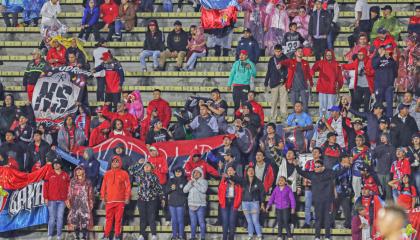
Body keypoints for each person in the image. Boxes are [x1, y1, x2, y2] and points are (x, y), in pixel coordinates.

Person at [293, 158, 351, 240]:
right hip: (317, 200)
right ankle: (317, 237)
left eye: (318, 166)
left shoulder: (329, 173)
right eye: (315, 167)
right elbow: (301, 172)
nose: (316, 168)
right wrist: (296, 165)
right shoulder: (312, 174)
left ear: (323, 167)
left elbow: (339, 173)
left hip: (327, 200)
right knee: (318, 219)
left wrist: (346, 167)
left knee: (327, 219)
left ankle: (327, 237)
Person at [129, 160, 164, 240]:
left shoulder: (154, 176)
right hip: (142, 200)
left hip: (152, 200)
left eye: (148, 166)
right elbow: (130, 170)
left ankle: (154, 235)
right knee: (143, 217)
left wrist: (162, 198)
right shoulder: (139, 175)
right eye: (145, 166)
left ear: (151, 168)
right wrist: (138, 163)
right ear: (143, 168)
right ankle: (141, 235)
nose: (146, 167)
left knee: (152, 217)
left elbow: (159, 188)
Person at [100, 156, 131, 240]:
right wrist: (103, 196)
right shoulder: (107, 173)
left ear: (120, 162)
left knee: (118, 220)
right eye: (113, 161)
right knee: (108, 219)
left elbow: (128, 186)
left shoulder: (124, 173)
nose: (115, 163)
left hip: (120, 201)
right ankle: (106, 236)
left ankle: (117, 236)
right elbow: (103, 186)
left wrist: (127, 197)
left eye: (117, 161)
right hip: (109, 201)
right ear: (111, 163)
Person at [278, 47, 313, 112]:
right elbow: (283, 62)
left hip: (304, 87)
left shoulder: (306, 63)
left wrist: (311, 83)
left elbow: (309, 74)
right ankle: (296, 121)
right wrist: (280, 64)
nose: (300, 52)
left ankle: (305, 121)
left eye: (301, 51)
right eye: (298, 51)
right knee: (295, 106)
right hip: (293, 88)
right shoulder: (291, 61)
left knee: (305, 106)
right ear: (295, 53)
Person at [311, 49, 343, 117]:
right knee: (322, 107)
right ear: (325, 55)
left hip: (332, 88)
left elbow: (340, 76)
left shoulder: (337, 64)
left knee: (331, 107)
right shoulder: (320, 63)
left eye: (330, 55)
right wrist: (312, 73)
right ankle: (321, 122)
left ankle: (330, 122)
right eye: (327, 55)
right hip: (322, 88)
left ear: (332, 55)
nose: (328, 56)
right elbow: (313, 68)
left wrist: (339, 86)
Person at [44, 158, 70, 240]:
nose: (56, 165)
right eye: (54, 163)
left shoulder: (65, 175)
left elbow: (69, 188)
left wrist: (67, 199)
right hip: (52, 200)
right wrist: (45, 197)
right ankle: (50, 235)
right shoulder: (49, 174)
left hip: (62, 201)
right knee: (52, 218)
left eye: (57, 163)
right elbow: (45, 187)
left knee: (60, 217)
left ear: (61, 165)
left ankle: (59, 235)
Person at [342, 48, 375, 113]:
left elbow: (373, 72)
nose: (359, 56)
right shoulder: (356, 61)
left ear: (365, 54)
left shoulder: (370, 61)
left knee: (367, 103)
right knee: (356, 101)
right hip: (358, 86)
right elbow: (350, 66)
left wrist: (366, 72)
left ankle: (366, 117)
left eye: (361, 55)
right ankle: (356, 117)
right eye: (358, 55)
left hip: (367, 86)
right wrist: (342, 66)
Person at [66, 166, 94, 240]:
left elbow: (90, 193)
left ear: (83, 171)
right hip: (75, 202)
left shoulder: (88, 181)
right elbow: (69, 192)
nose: (78, 171)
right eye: (77, 170)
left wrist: (91, 203)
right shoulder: (72, 181)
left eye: (80, 170)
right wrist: (68, 200)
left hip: (85, 202)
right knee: (75, 219)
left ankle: (84, 236)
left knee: (85, 219)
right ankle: (77, 236)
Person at [372, 46, 398, 118]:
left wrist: (394, 60)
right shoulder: (375, 58)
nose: (383, 51)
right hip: (379, 85)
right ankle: (378, 118)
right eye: (380, 49)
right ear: (378, 50)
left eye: (384, 49)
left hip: (389, 86)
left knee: (389, 102)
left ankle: (389, 119)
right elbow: (374, 66)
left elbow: (396, 73)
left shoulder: (391, 60)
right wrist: (380, 56)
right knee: (378, 103)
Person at [264, 44, 288, 122]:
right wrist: (266, 82)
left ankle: (284, 118)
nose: (278, 53)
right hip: (274, 83)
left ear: (281, 51)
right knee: (273, 102)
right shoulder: (271, 59)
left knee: (283, 102)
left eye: (279, 51)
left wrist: (284, 77)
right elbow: (269, 71)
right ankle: (273, 118)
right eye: (276, 51)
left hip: (283, 83)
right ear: (274, 51)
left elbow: (289, 71)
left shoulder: (286, 59)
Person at [240, 165, 265, 240]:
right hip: (245, 203)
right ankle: (250, 235)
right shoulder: (244, 181)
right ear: (247, 172)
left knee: (255, 220)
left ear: (254, 172)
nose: (251, 172)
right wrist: (230, 176)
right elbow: (236, 179)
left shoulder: (258, 181)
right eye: (249, 170)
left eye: (252, 170)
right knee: (249, 221)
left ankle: (259, 236)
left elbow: (262, 193)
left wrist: (262, 203)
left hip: (254, 203)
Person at [183, 167, 208, 240]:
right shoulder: (190, 181)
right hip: (191, 205)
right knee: (193, 223)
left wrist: (195, 183)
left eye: (197, 172)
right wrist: (191, 183)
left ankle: (203, 237)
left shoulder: (204, 181)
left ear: (201, 174)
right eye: (194, 172)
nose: (195, 174)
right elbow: (185, 190)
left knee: (201, 222)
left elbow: (203, 190)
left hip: (200, 205)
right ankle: (192, 237)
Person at [218, 165, 242, 240]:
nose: (229, 171)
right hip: (225, 203)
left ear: (234, 172)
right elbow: (220, 192)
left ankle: (231, 238)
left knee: (232, 222)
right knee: (225, 222)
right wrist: (222, 202)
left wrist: (234, 185)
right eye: (228, 170)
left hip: (233, 203)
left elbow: (240, 193)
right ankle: (224, 238)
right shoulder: (224, 180)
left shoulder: (238, 181)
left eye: (231, 170)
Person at [166, 167, 187, 240]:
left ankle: (181, 236)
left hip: (180, 203)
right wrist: (171, 188)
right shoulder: (171, 180)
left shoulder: (184, 181)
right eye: (176, 171)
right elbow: (166, 191)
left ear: (182, 172)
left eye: (179, 171)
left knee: (180, 220)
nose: (177, 173)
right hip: (172, 203)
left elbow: (185, 193)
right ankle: (174, 236)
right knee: (174, 220)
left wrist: (176, 188)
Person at [332, 156, 352, 229]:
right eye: (347, 159)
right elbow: (332, 179)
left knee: (347, 209)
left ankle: (348, 224)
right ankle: (331, 223)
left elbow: (349, 179)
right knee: (334, 209)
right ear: (343, 160)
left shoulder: (349, 168)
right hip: (336, 191)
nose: (348, 160)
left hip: (345, 191)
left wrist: (349, 190)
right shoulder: (336, 167)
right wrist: (334, 192)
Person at [372, 133, 395, 199]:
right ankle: (381, 204)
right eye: (381, 137)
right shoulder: (378, 147)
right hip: (379, 172)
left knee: (388, 190)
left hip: (388, 172)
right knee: (381, 189)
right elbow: (373, 156)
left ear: (387, 138)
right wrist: (374, 151)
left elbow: (394, 161)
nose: (382, 138)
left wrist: (392, 171)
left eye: (383, 137)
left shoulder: (392, 148)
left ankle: (389, 204)